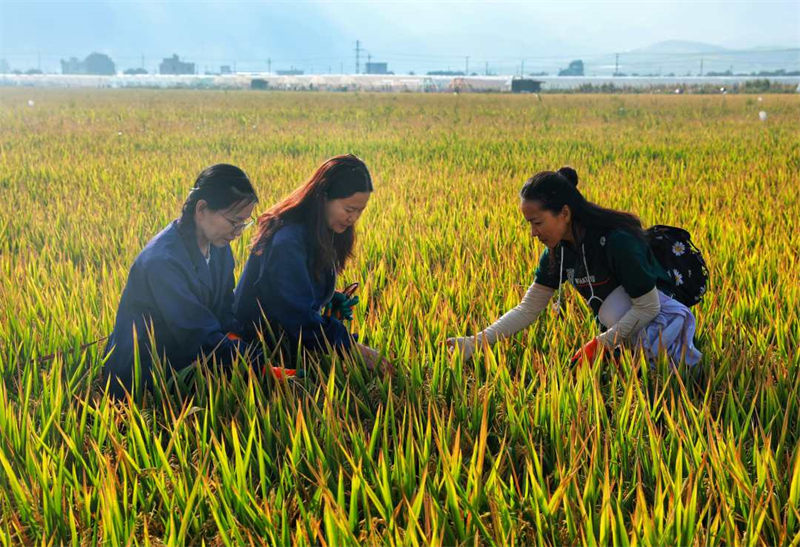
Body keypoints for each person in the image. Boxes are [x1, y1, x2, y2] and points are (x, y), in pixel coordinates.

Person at [447, 167, 702, 367]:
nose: (533, 233)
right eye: (529, 224)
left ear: (565, 214)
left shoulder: (616, 241)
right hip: (626, 335)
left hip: (665, 328)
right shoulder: (559, 251)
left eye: (537, 223)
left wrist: (601, 344)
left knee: (670, 393)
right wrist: (476, 342)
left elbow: (648, 307)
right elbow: (528, 309)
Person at [104, 164, 259, 398]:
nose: (238, 232)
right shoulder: (163, 261)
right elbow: (196, 334)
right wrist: (255, 362)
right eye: (233, 222)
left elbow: (224, 310)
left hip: (188, 357)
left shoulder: (219, 247)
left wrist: (243, 342)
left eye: (244, 223)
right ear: (202, 209)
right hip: (145, 374)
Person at [234, 155, 390, 372]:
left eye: (359, 211)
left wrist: (327, 297)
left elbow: (296, 290)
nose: (353, 218)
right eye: (348, 209)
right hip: (255, 349)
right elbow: (294, 315)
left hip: (288, 341)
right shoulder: (287, 240)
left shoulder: (323, 230)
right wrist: (350, 347)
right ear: (323, 197)